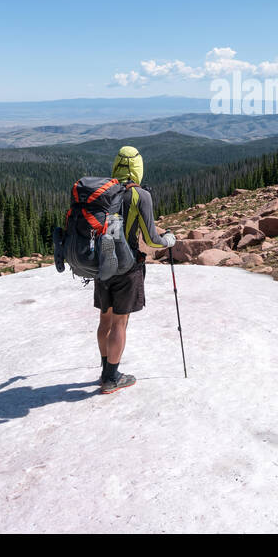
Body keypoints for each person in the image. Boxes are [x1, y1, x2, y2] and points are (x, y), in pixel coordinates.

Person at [95, 145, 176, 394]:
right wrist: (169, 240)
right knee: (120, 321)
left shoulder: (102, 192)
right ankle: (111, 377)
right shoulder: (141, 195)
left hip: (102, 265)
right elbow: (151, 239)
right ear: (138, 167)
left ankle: (104, 368)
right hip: (127, 267)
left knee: (105, 319)